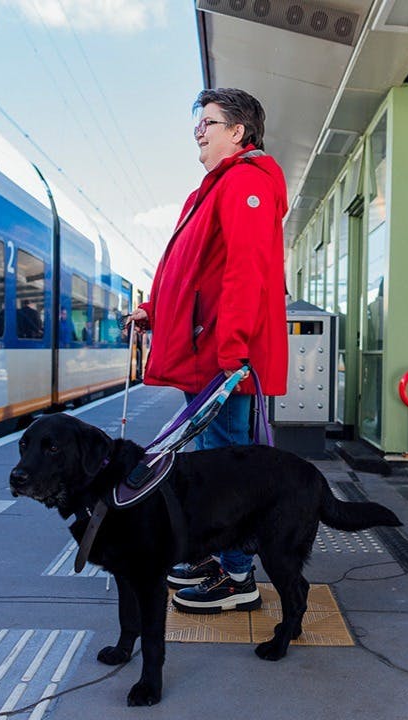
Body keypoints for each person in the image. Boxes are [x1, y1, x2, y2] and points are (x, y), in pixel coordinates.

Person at [125, 87, 289, 613]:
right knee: (211, 461)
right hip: (213, 352)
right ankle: (218, 557)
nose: (199, 129)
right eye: (198, 120)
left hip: (225, 357)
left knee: (228, 469)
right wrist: (153, 309)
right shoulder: (217, 187)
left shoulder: (245, 184)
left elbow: (246, 272)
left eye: (209, 121)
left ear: (238, 132)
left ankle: (237, 577)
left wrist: (231, 354)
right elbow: (193, 269)